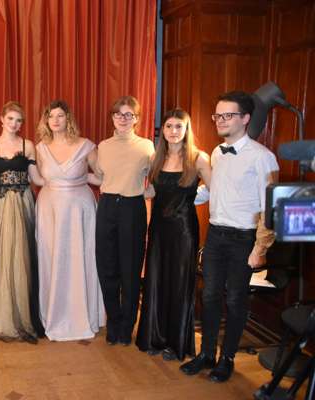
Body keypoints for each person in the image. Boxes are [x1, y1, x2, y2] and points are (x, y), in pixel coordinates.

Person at [180, 91, 279, 382]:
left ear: (245, 118)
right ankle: (207, 354)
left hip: (243, 239)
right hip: (215, 236)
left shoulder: (263, 157)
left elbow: (271, 207)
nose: (220, 120)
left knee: (235, 300)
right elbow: (214, 190)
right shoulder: (217, 152)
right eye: (218, 115)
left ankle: (228, 358)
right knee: (209, 296)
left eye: (228, 115)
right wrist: (180, 197)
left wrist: (260, 248)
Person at [135, 109, 211, 361]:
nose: (173, 131)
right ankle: (154, 337)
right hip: (158, 229)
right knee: (156, 280)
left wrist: (192, 198)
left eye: (179, 126)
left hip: (183, 230)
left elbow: (216, 188)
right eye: (169, 126)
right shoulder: (156, 158)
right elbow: (153, 192)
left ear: (186, 130)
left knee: (179, 284)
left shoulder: (198, 158)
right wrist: (128, 190)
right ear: (163, 130)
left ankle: (175, 343)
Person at [35, 99, 105, 341]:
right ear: (46, 121)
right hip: (49, 210)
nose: (55, 120)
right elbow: (40, 179)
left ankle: (82, 315)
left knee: (80, 258)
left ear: (68, 119)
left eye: (60, 116)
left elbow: (101, 177)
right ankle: (53, 314)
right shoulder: (40, 148)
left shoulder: (86, 146)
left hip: (79, 210)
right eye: (51, 116)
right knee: (51, 259)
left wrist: (82, 178)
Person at [95, 96, 155, 346]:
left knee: (130, 270)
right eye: (118, 114)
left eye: (129, 114)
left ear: (136, 119)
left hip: (132, 208)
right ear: (112, 117)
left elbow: (157, 177)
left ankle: (127, 326)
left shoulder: (147, 146)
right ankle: (114, 322)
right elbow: (101, 177)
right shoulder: (103, 146)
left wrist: (148, 192)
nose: (123, 118)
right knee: (107, 268)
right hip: (107, 206)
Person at [0, 101, 44, 342]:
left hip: (21, 202)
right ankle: (1, 317)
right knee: (1, 255)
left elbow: (37, 179)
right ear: (1, 119)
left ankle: (23, 315)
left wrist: (64, 181)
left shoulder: (28, 145)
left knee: (21, 255)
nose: (14, 124)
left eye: (19, 120)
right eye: (10, 119)